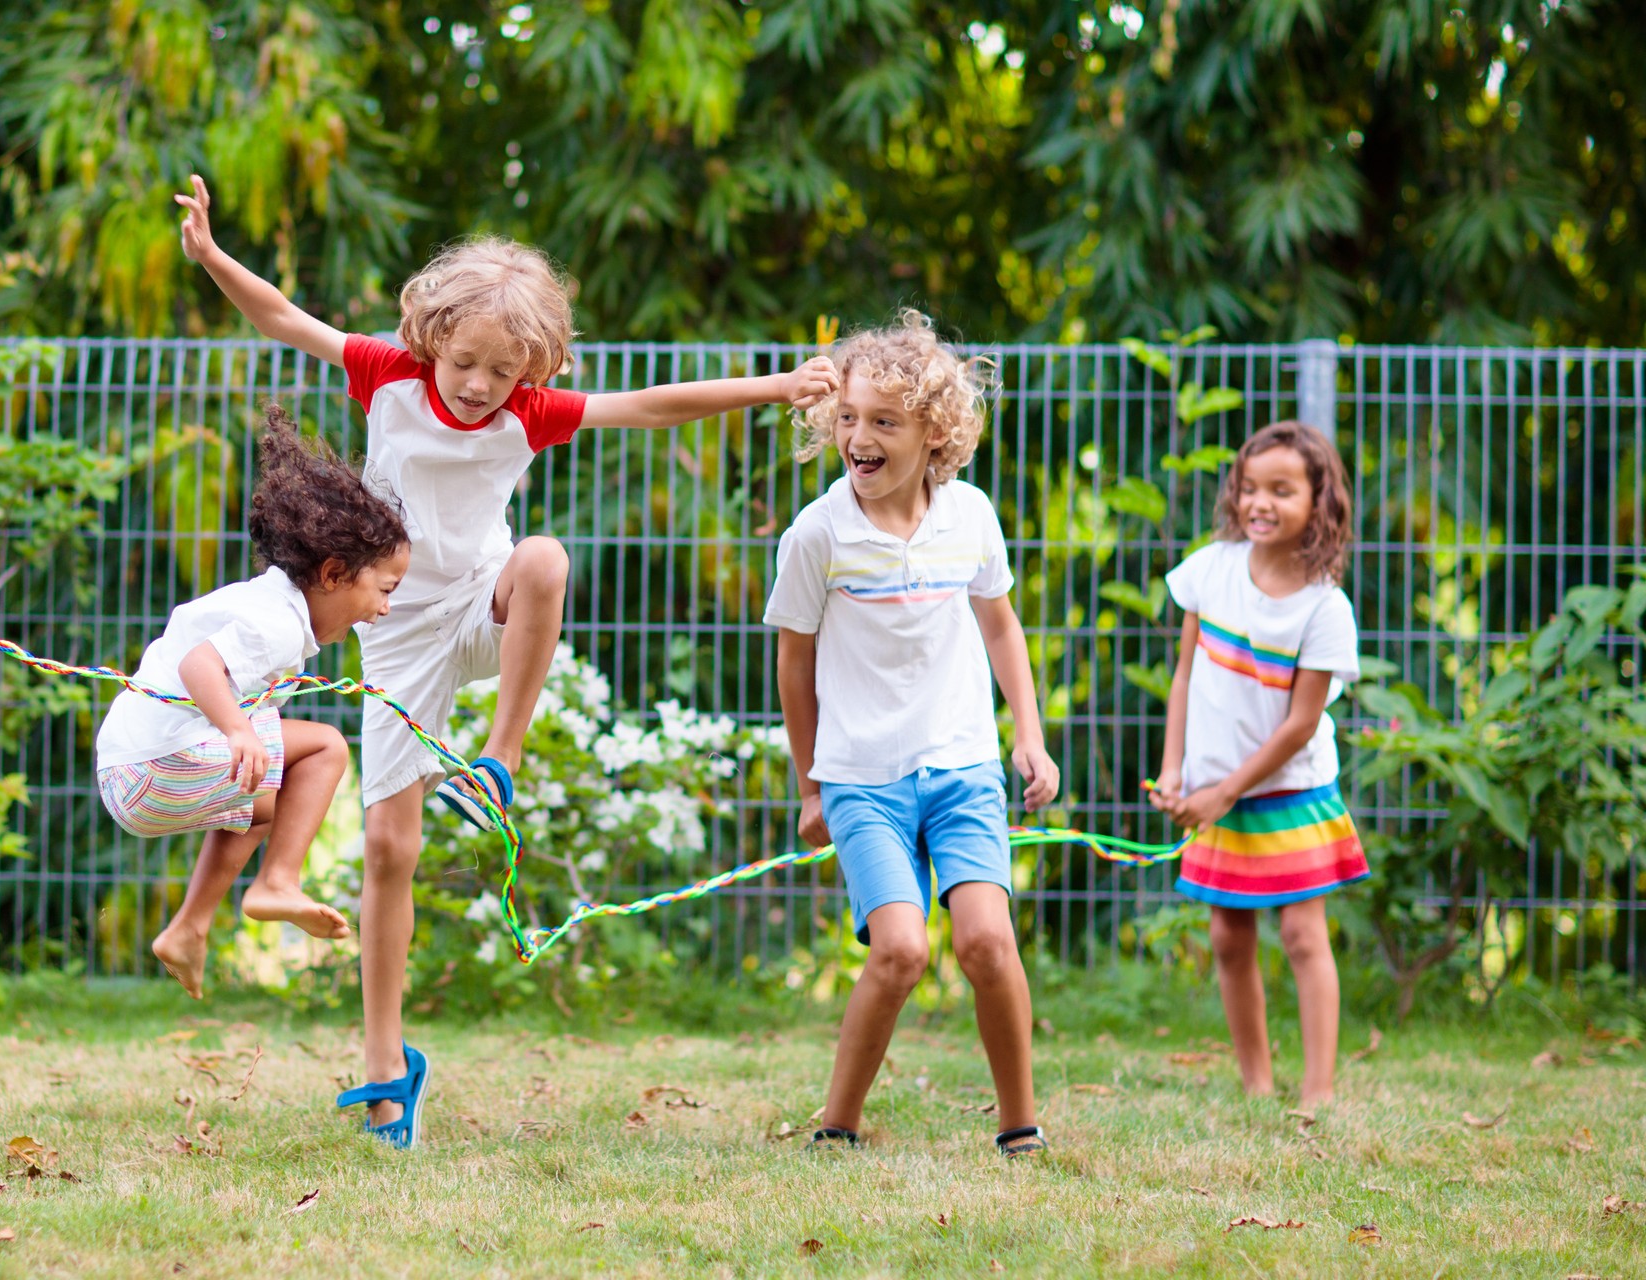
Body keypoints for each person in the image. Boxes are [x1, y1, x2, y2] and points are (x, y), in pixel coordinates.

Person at [175, 175, 838, 1146]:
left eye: (503, 369)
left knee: (546, 559)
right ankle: (385, 1071)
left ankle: (501, 760)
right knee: (389, 851)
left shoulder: (531, 411)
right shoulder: (384, 372)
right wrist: (210, 257)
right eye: (468, 361)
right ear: (433, 337)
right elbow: (282, 316)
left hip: (484, 603)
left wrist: (778, 385)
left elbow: (654, 405)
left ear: (531, 366)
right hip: (394, 624)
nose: (480, 384)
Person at [765, 311, 1059, 1156]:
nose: (860, 438)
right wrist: (812, 783)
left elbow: (1001, 626)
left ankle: (1020, 1127)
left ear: (934, 432)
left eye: (884, 422)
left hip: (964, 766)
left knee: (987, 943)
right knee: (898, 951)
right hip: (863, 778)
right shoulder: (817, 535)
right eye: (849, 419)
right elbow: (795, 666)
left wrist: (1028, 738)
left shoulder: (968, 516)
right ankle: (838, 1126)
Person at [95, 406, 410, 1000]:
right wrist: (239, 731)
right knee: (323, 749)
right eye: (385, 590)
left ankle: (189, 929)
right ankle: (277, 883)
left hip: (131, 772)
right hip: (154, 767)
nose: (385, 608)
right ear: (337, 573)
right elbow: (197, 666)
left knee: (264, 801)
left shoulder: (273, 605)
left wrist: (243, 733)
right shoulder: (277, 625)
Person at [1148, 421, 1368, 1106]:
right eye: (1249, 488)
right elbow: (1183, 675)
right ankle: (1255, 1085)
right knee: (1227, 935)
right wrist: (1176, 772)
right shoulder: (1210, 569)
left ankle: (1318, 1092)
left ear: (1318, 501)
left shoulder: (1326, 609)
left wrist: (1223, 793)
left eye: (1281, 490)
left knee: (1304, 936)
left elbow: (1302, 724)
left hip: (1290, 793)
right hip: (1215, 790)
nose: (1259, 503)